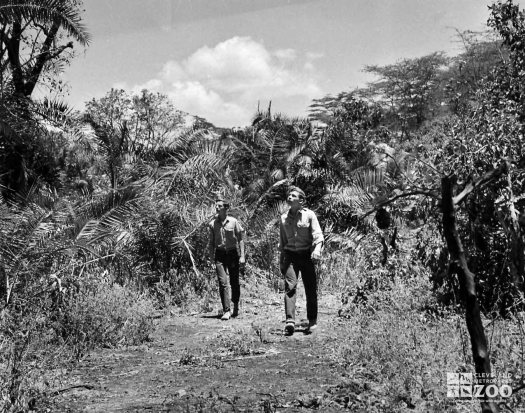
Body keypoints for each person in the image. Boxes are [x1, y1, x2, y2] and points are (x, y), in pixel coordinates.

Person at [279, 186, 324, 335]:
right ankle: (290, 321)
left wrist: (317, 250)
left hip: (306, 255)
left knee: (310, 289)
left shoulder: (309, 215)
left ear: (301, 200)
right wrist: (281, 260)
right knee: (290, 287)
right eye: (289, 195)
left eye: (293, 195)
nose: (290, 197)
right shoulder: (283, 218)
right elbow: (283, 241)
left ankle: (312, 321)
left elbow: (318, 236)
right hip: (291, 256)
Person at [208, 198, 246, 320]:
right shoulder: (213, 224)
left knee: (234, 282)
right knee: (222, 282)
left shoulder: (233, 222)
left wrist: (242, 256)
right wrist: (211, 259)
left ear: (226, 208)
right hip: (219, 255)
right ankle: (226, 310)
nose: (217, 208)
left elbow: (240, 239)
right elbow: (211, 243)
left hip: (232, 254)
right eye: (216, 206)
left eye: (219, 206)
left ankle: (235, 305)